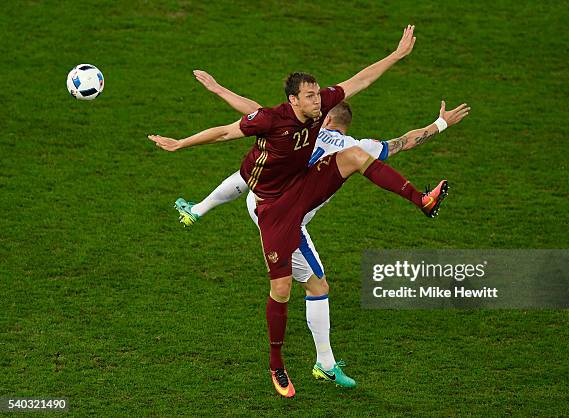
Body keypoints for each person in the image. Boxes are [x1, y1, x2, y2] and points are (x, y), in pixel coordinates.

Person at [149, 25, 466, 398]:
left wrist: (396, 56)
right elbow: (402, 141)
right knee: (287, 287)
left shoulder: (323, 122)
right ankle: (282, 366)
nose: (319, 101)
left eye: (321, 97)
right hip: (276, 212)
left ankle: (421, 200)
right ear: (294, 101)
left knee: (347, 162)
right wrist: (440, 123)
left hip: (299, 190)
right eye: (312, 97)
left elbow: (358, 80)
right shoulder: (289, 123)